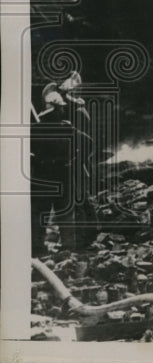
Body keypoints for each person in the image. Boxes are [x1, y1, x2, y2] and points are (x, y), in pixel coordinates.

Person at [30, 71, 97, 254]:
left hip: (46, 174)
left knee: (42, 212)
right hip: (63, 172)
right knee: (65, 212)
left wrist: (35, 162)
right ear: (58, 108)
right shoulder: (66, 127)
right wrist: (76, 159)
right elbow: (87, 143)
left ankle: (39, 246)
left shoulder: (35, 129)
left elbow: (27, 153)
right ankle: (69, 245)